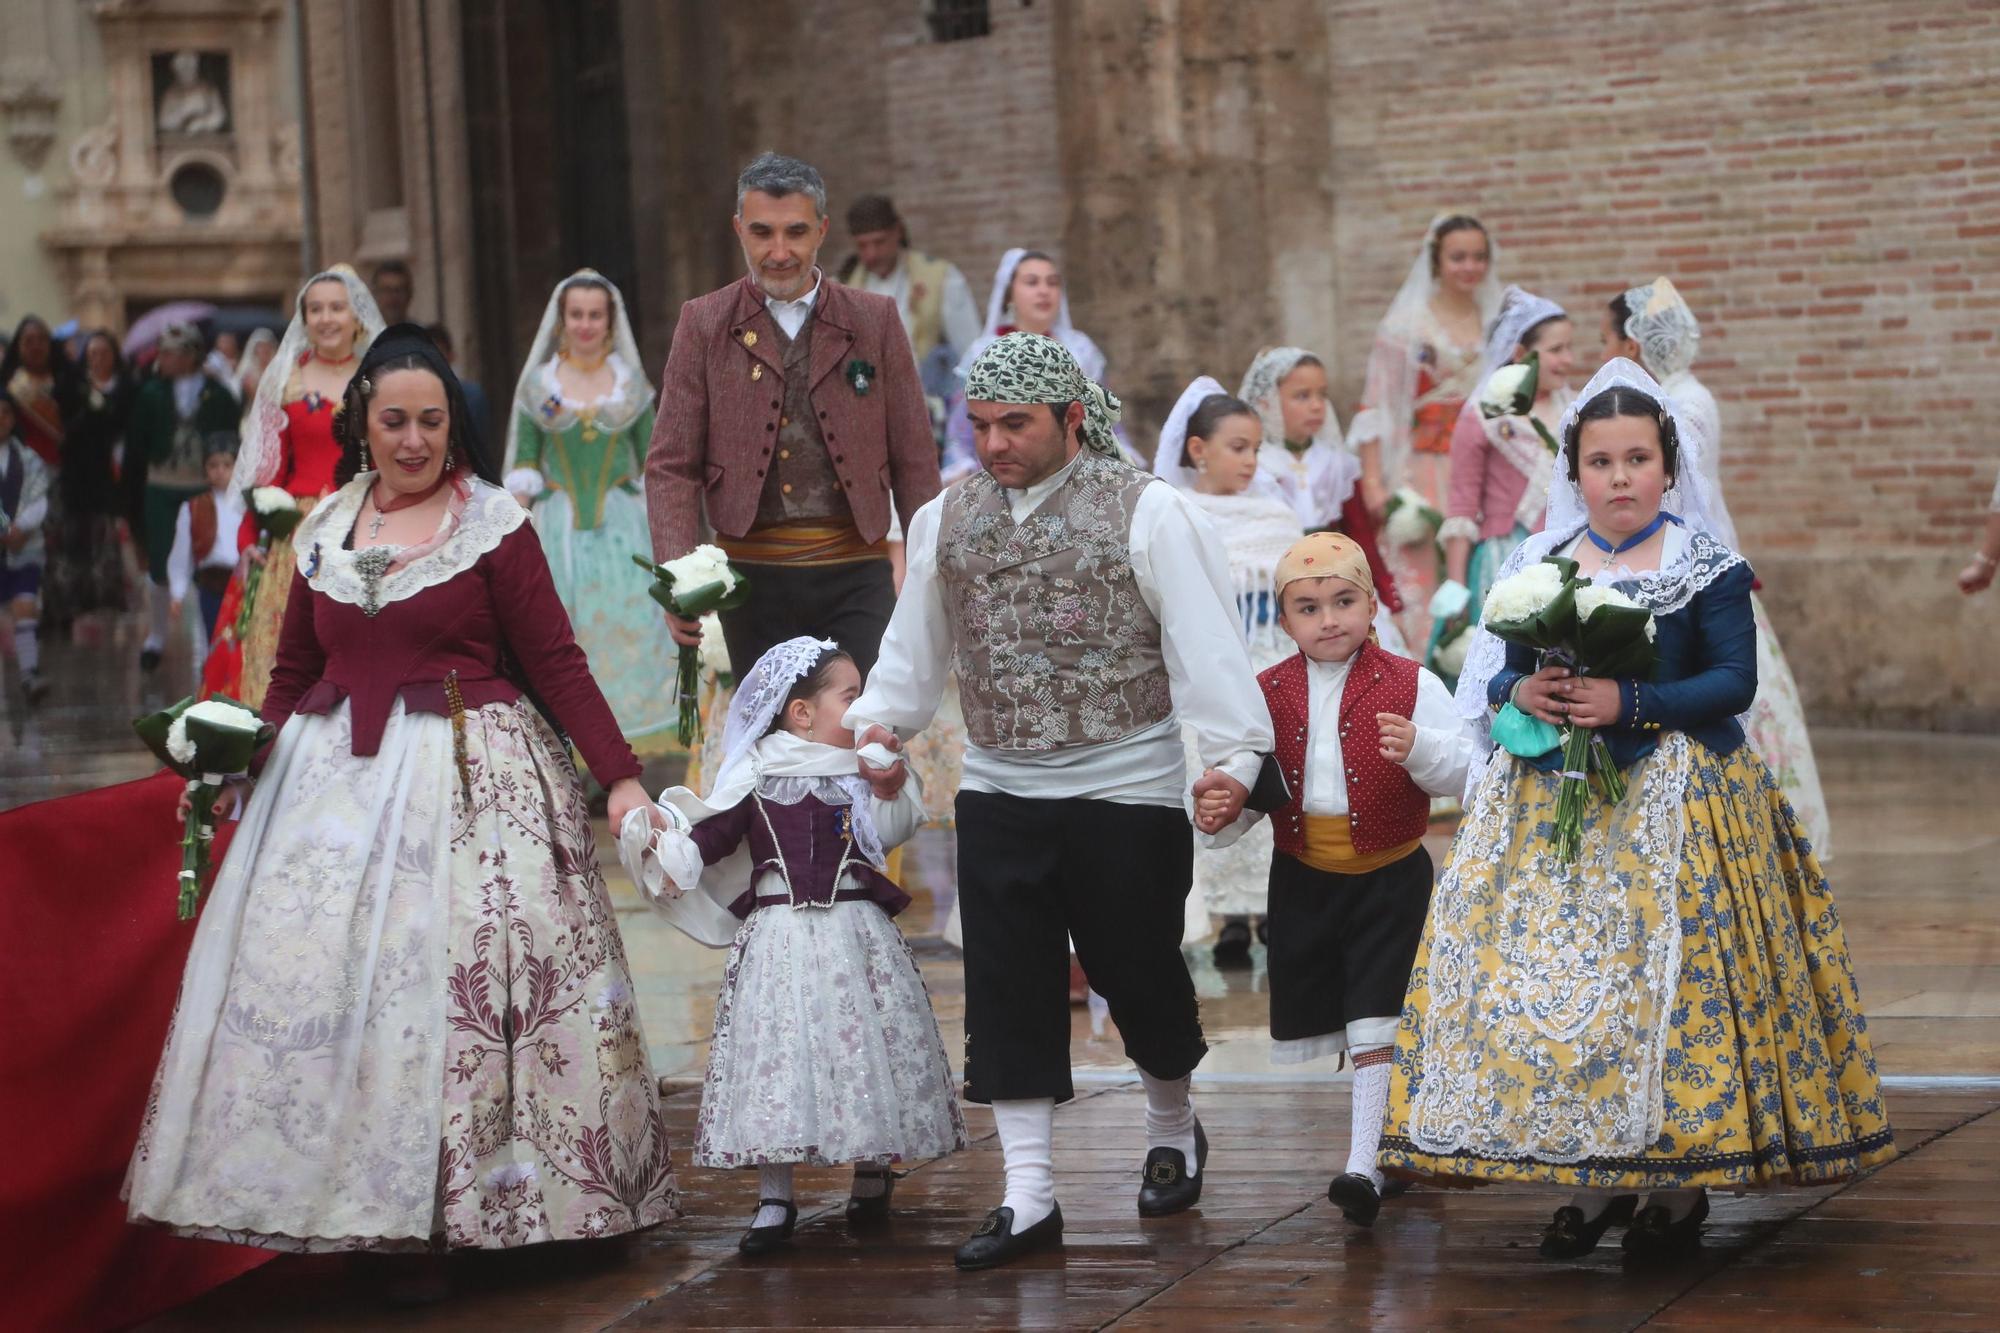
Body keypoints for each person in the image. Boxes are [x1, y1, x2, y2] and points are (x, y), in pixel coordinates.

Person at [125, 324, 681, 1257]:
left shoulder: (493, 522)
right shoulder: (322, 529)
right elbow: (293, 672)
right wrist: (241, 768)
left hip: (474, 775)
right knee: (334, 985)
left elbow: (555, 660)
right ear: (364, 424)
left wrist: (620, 778)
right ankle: (351, 1204)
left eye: (431, 421)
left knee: (469, 991)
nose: (414, 440)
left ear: (453, 425)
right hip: (328, 787)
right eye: (395, 421)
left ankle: (480, 1210)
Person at [1381, 360, 1894, 1258]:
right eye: (1600, 461)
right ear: (1573, 472)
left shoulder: (1707, 565)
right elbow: (1502, 671)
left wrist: (1633, 703)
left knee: (1680, 983)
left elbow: (1734, 681)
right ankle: (1596, 1170)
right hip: (1553, 811)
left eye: (1637, 459)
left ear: (1668, 468)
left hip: (1685, 801)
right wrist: (1528, 689)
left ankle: (1680, 1183)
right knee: (1569, 988)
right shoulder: (1538, 562)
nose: (1619, 478)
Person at [847, 332, 1276, 1270]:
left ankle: (1171, 1122)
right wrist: (881, 724)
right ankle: (1030, 1194)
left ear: (1073, 418)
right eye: (981, 425)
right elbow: (913, 652)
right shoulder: (943, 519)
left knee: (1140, 972)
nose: (994, 442)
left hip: (1128, 783)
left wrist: (1237, 761)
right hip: (1001, 783)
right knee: (1006, 987)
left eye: (1016, 424)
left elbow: (1207, 648)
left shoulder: (1148, 511)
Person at [622, 636, 966, 1255]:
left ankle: (870, 1169)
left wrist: (886, 783)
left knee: (860, 1046)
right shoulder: (755, 775)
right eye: (850, 697)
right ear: (800, 713)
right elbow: (710, 839)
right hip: (778, 940)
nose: (863, 710)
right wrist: (663, 846)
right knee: (778, 1054)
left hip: (857, 933)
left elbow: (890, 833)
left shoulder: (866, 771)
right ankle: (775, 1194)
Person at [1201, 531, 1471, 1227]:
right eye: (1310, 606)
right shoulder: (1266, 692)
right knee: (1352, 1016)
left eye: (1344, 600)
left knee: (1379, 1014)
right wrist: (1221, 805)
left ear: (1372, 604)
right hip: (1307, 878)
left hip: (1389, 876)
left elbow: (1469, 768)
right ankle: (1394, 1141)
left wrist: (1423, 750)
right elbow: (1248, 782)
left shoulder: (1413, 682)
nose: (1329, 619)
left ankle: (1363, 1165)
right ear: (1285, 620)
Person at [646, 152, 939, 681]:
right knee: (772, 741)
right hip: (750, 577)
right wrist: (678, 577)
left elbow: (914, 458)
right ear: (739, 230)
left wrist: (930, 571)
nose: (779, 252)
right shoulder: (704, 323)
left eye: (796, 232)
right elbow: (671, 463)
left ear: (822, 230)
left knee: (861, 733)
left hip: (857, 569)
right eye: (762, 232)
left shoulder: (874, 319)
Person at [1606, 277, 1832, 855]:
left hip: (1693, 574)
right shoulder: (1677, 393)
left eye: (1607, 339)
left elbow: (1683, 499)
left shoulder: (1680, 402)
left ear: (1632, 345)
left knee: (1721, 689)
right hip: (1682, 566)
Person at [1152, 378, 1304, 960]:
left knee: (1272, 779)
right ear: (1198, 450)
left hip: (1273, 663)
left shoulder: (1278, 517)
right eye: (1237, 447)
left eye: (1256, 449)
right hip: (1209, 669)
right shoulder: (1178, 514)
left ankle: (1271, 908)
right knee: (1211, 775)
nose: (1250, 461)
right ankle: (1225, 915)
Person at [506, 272, 678, 747]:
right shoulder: (538, 388)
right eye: (576, 315)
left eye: (594, 315)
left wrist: (669, 541)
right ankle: (571, 751)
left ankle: (625, 752)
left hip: (623, 534)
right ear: (562, 321)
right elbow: (523, 462)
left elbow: (655, 465)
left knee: (628, 635)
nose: (585, 324)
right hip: (557, 532)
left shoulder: (631, 389)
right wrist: (510, 537)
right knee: (565, 637)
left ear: (609, 320)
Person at [220, 266, 383, 704]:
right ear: (303, 318)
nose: (326, 318)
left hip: (368, 524)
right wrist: (249, 537)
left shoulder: (381, 379)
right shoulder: (283, 381)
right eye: (316, 309)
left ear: (357, 317)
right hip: (298, 533)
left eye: (336, 308)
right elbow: (265, 471)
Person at [1431, 289, 1577, 675]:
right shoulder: (1483, 415)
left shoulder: (1576, 410)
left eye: (1569, 348)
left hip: (1573, 553)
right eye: (1557, 349)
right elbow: (1461, 506)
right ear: (1520, 354)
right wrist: (1457, 589)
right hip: (1506, 560)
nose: (1569, 360)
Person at [1237, 346, 1408, 656]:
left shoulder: (1337, 465)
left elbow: (1362, 538)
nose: (1316, 406)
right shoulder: (1254, 464)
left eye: (1322, 395)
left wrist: (1389, 597)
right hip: (1284, 590)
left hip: (1340, 582)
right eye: (1302, 396)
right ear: (1267, 402)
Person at [942, 248, 1141, 478]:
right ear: (1009, 294)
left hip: (1077, 473)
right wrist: (962, 468)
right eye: (1032, 282)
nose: (1044, 291)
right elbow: (961, 431)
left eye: (1052, 283)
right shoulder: (984, 353)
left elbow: (1105, 420)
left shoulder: (1080, 350)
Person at [127, 322, 237, 673]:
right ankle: (156, 636)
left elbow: (230, 435)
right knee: (160, 561)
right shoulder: (151, 393)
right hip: (163, 484)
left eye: (171, 353)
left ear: (190, 355)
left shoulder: (217, 394)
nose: (163, 359)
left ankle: (208, 638)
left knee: (205, 555)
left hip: (201, 483)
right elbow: (136, 446)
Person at [837, 193, 982, 409]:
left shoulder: (940, 277)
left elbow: (972, 352)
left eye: (879, 242)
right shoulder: (843, 287)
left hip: (931, 405)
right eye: (862, 246)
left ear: (898, 232)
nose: (871, 254)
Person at [60, 330, 137, 621]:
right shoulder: (75, 386)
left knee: (108, 532)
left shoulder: (126, 387)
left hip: (111, 470)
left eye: (104, 353)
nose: (98, 358)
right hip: (78, 471)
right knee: (77, 533)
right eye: (92, 353)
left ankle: (110, 592)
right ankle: (79, 595)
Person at [165, 439, 245, 665]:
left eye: (227, 465)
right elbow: (182, 555)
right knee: (212, 642)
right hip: (211, 585)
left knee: (240, 643)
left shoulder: (248, 505)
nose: (220, 471)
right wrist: (177, 593)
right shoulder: (193, 508)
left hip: (242, 584)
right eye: (213, 465)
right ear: (205, 470)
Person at [1, 392, 52, 702]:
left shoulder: (29, 458)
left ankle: (29, 673)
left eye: (6, 412)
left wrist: (20, 529)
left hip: (25, 547)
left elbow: (39, 498)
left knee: (25, 605)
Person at [426, 323, 489, 445]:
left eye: (439, 356)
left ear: (451, 356)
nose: (433, 364)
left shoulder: (471, 398)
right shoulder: (410, 400)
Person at [371, 258, 414, 326]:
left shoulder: (421, 335)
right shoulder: (361, 335)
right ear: (375, 295)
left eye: (399, 290)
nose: (393, 297)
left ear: (409, 294)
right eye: (386, 290)